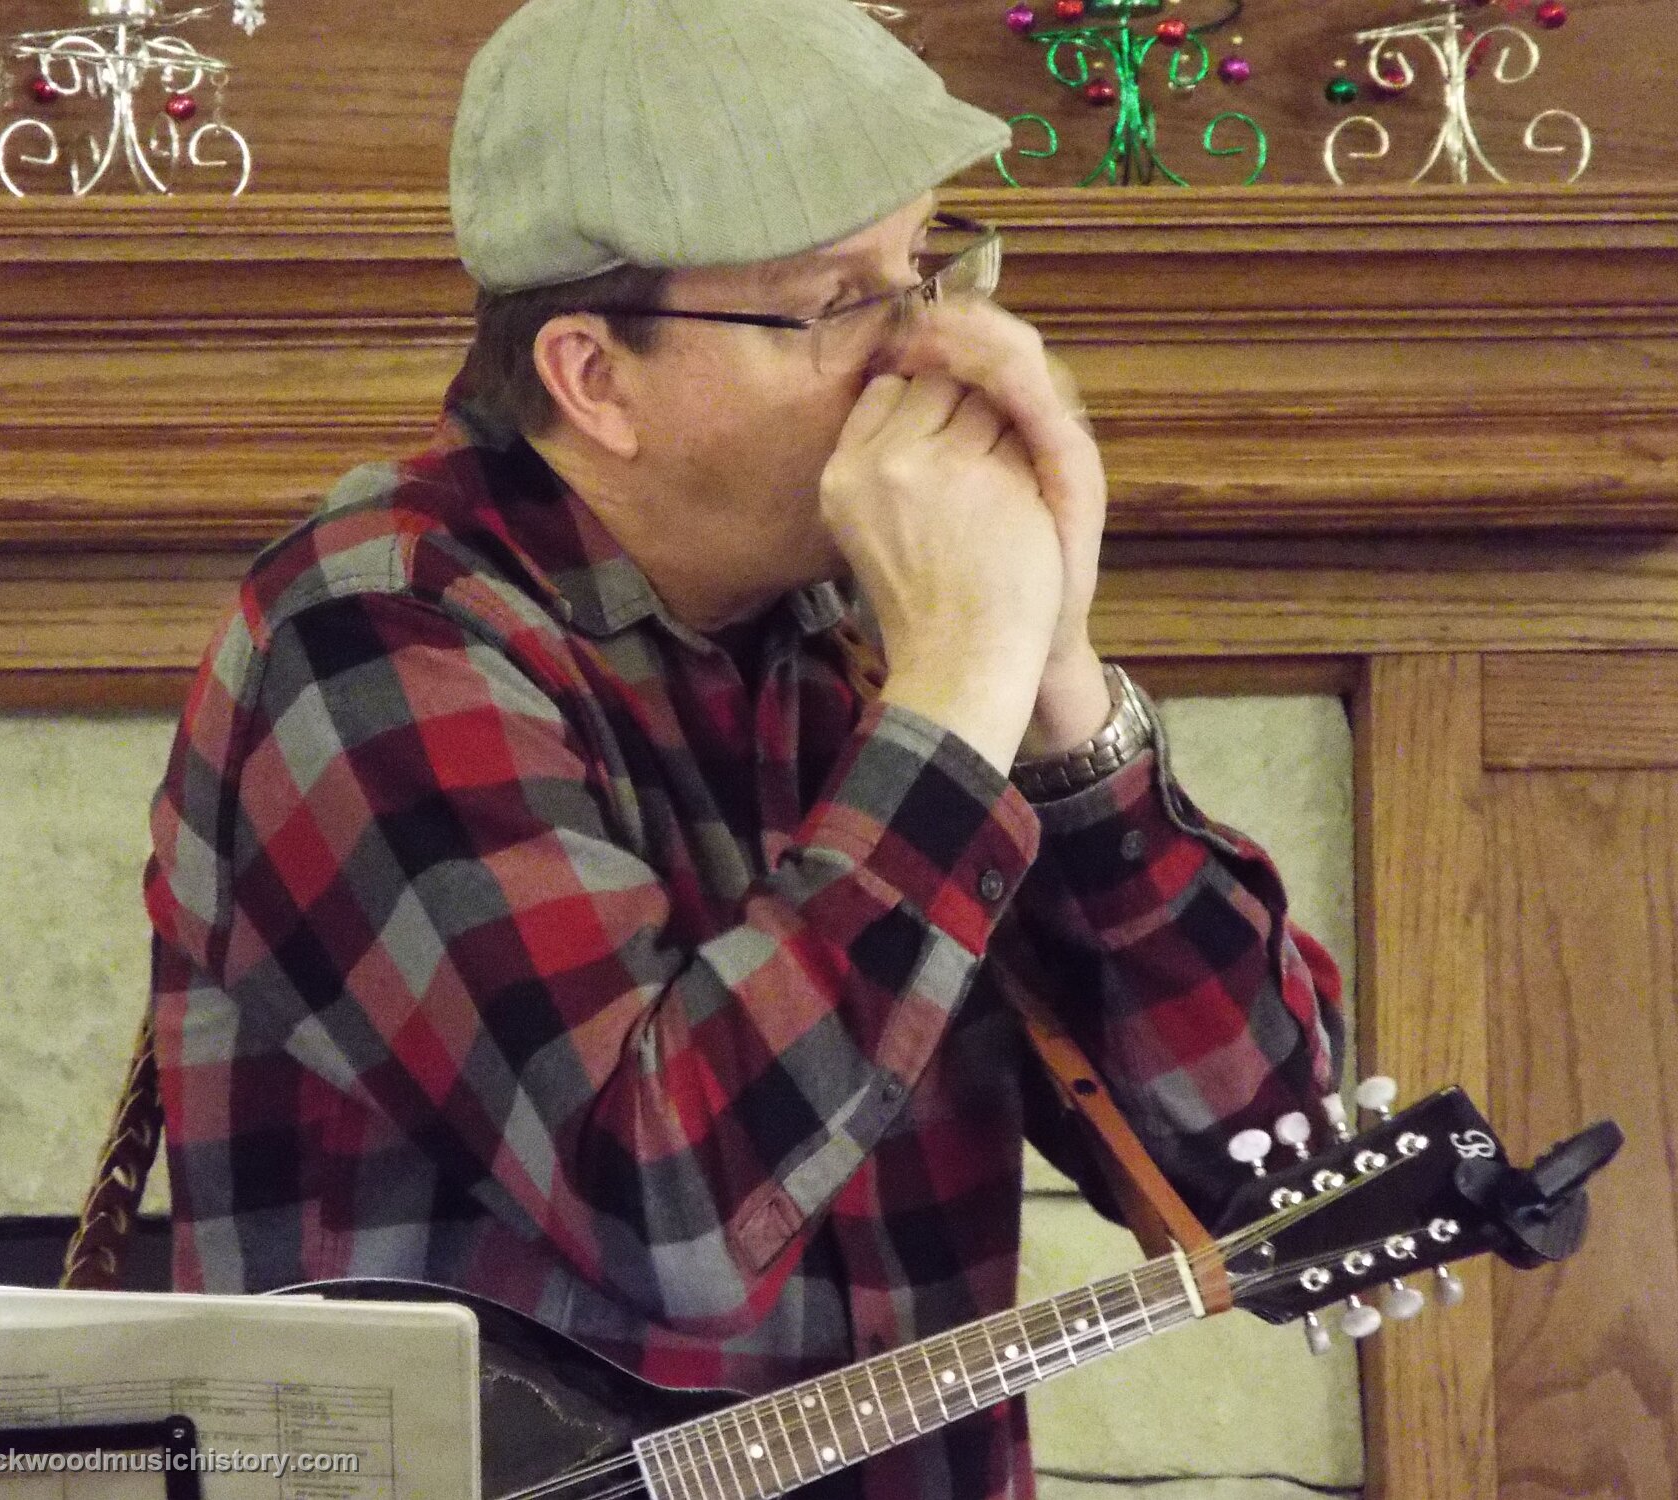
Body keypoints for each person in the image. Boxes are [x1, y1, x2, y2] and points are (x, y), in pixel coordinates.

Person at [145, 0, 1345, 1494]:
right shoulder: (376, 633)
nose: (930, 357)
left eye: (925, 271)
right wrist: (957, 687)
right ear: (594, 377)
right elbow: (674, 1213)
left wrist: (1054, 687)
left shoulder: (869, 635)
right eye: (835, 301)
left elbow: (1284, 1182)